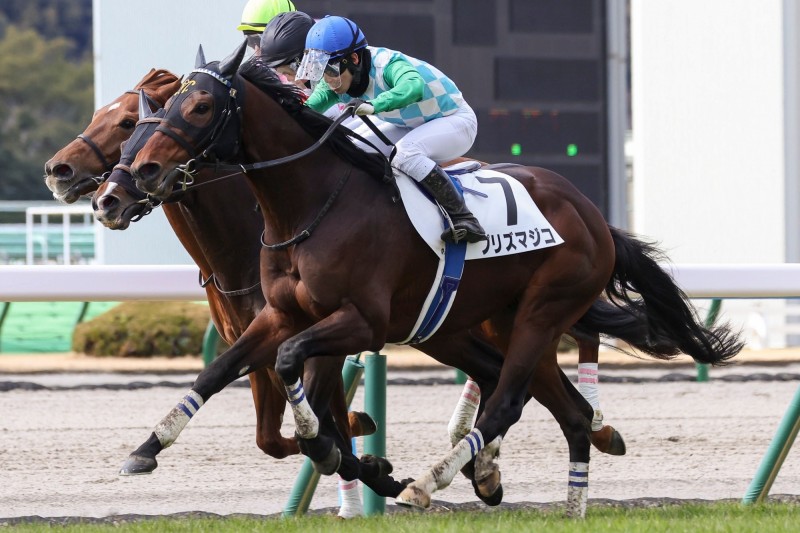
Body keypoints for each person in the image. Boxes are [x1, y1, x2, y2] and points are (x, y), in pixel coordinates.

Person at [296, 15, 487, 244]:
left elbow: (413, 86)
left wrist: (374, 105)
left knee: (405, 154)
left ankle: (464, 218)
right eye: (321, 72)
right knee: (354, 149)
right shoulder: (340, 77)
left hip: (455, 120)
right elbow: (309, 107)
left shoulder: (386, 64)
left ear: (354, 59)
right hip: (410, 124)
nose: (327, 81)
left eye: (331, 71)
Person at [259, 11, 406, 157]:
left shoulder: (338, 77)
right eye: (281, 72)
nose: (288, 78)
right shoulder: (329, 76)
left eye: (290, 69)